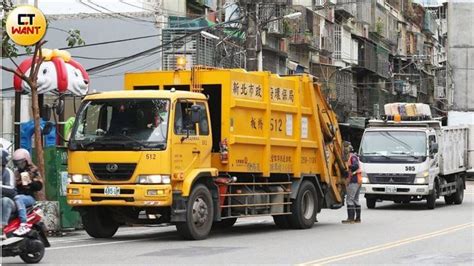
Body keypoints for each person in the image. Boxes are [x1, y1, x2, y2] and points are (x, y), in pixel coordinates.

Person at [11, 148, 43, 235]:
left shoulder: (33, 170)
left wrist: (30, 182)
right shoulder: (15, 172)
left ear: (26, 161)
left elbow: (39, 185)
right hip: (16, 195)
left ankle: (23, 224)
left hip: (30, 197)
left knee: (18, 198)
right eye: (16, 163)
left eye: (20, 162)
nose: (19, 165)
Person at [342, 145, 362, 224]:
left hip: (354, 180)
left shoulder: (352, 157)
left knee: (350, 200)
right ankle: (358, 219)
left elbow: (355, 166)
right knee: (355, 200)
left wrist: (348, 167)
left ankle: (350, 219)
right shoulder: (353, 156)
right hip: (358, 180)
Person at [1, 149, 16, 239]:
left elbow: (11, 189)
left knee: (4, 201)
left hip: (10, 202)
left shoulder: (8, 172)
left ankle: (2, 228)